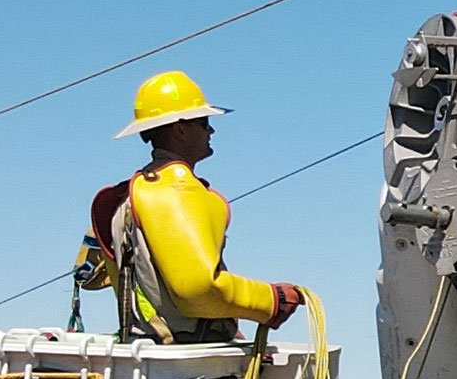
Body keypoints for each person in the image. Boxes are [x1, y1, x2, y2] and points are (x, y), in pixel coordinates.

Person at [84, 70, 303, 343]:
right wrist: (273, 300)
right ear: (180, 128)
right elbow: (198, 291)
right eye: (204, 122)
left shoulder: (134, 192)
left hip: (148, 347)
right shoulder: (176, 190)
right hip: (181, 357)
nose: (211, 130)